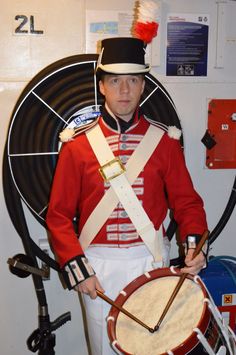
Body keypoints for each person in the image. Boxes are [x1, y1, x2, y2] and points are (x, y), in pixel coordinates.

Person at [46, 37, 208, 355]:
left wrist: (194, 248)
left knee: (153, 346)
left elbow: (187, 203)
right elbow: (59, 216)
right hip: (98, 268)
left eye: (133, 80)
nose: (124, 90)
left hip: (150, 260)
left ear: (143, 86)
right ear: (102, 85)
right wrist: (79, 269)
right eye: (115, 80)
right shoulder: (77, 146)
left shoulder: (164, 142)